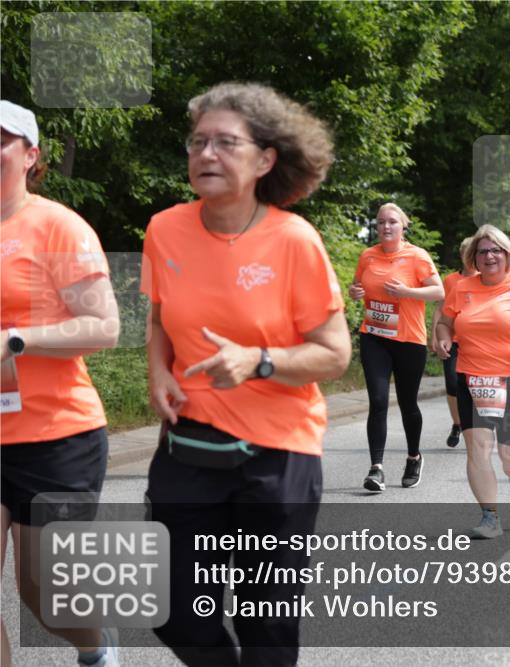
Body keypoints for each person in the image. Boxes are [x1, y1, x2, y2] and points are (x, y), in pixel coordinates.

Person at [142, 83, 351, 666]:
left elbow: (334, 355)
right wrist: (158, 370)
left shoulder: (293, 240)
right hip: (190, 442)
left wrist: (259, 360)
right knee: (168, 606)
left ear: (264, 160)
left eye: (225, 143)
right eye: (198, 142)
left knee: (266, 620)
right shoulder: (165, 229)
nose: (206, 154)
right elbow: (160, 316)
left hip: (278, 454)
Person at [1, 100, 121, 667]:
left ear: (31, 155)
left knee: (46, 596)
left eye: (1, 138)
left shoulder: (56, 226)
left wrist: (15, 341)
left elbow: (104, 327)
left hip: (55, 435)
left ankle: (96, 650)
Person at [435, 224, 510, 538]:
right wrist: (445, 339)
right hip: (474, 378)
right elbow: (446, 323)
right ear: (473, 257)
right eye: (482, 251)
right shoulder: (462, 288)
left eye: (495, 250)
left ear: (508, 254)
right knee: (477, 448)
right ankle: (489, 517)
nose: (489, 256)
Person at [349, 203, 444, 491]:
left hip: (408, 339)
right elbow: (356, 287)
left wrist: (407, 292)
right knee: (378, 401)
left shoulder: (417, 256)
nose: (386, 227)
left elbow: (439, 291)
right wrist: (355, 292)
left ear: (403, 226)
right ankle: (376, 468)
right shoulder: (367, 256)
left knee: (407, 403)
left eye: (392, 222)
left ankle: (414, 457)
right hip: (375, 336)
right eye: (380, 223)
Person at [431, 236, 475, 448]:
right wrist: (435, 336)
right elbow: (440, 309)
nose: (470, 258)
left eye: (472, 254)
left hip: (477, 343)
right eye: (466, 254)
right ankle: (457, 424)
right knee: (452, 383)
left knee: (473, 385)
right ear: (461, 256)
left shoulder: (485, 279)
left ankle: (474, 425)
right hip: (453, 340)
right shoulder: (450, 280)